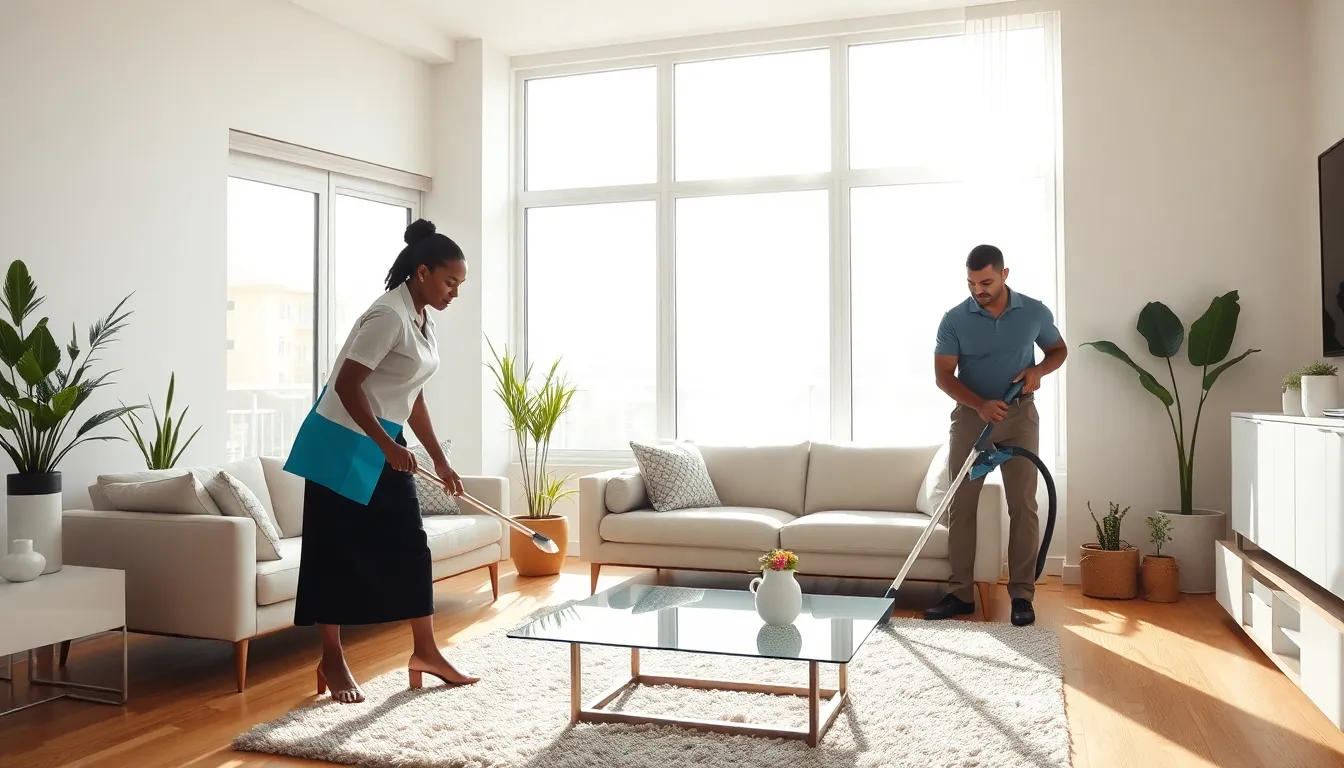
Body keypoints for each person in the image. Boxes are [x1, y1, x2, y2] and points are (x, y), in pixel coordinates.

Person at [292, 218, 478, 703]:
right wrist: (386, 445)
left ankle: (426, 652)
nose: (454, 293)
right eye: (450, 282)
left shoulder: (422, 319)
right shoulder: (388, 316)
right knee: (331, 552)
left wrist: (439, 460)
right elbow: (346, 384)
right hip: (339, 443)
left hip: (384, 441)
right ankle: (331, 659)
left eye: (459, 284)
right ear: (423, 272)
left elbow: (413, 395)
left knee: (412, 545)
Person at [925, 244, 1067, 627]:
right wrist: (980, 405)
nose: (978, 290)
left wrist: (1038, 371)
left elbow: (1058, 350)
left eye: (986, 282)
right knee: (961, 505)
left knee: (1023, 505)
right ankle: (960, 594)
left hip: (1020, 417)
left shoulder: (1034, 312)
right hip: (973, 419)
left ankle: (1022, 596)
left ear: (1005, 274)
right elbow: (943, 376)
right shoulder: (954, 319)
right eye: (971, 283)